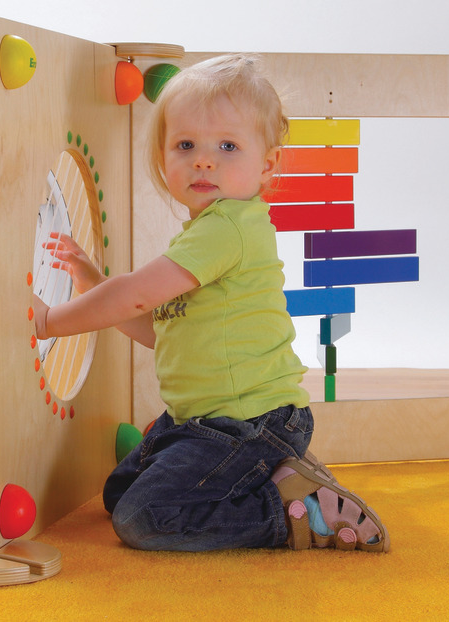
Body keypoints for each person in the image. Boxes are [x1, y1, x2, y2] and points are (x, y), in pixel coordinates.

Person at [33, 54, 389, 553]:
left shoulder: (227, 229)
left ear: (267, 164)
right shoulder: (210, 233)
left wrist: (49, 320)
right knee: (118, 494)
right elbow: (160, 330)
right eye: (186, 145)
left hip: (251, 424)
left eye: (227, 145)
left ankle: (288, 515)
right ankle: (284, 481)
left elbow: (135, 294)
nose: (204, 159)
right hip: (202, 424)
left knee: (143, 518)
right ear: (163, 157)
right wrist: (93, 281)